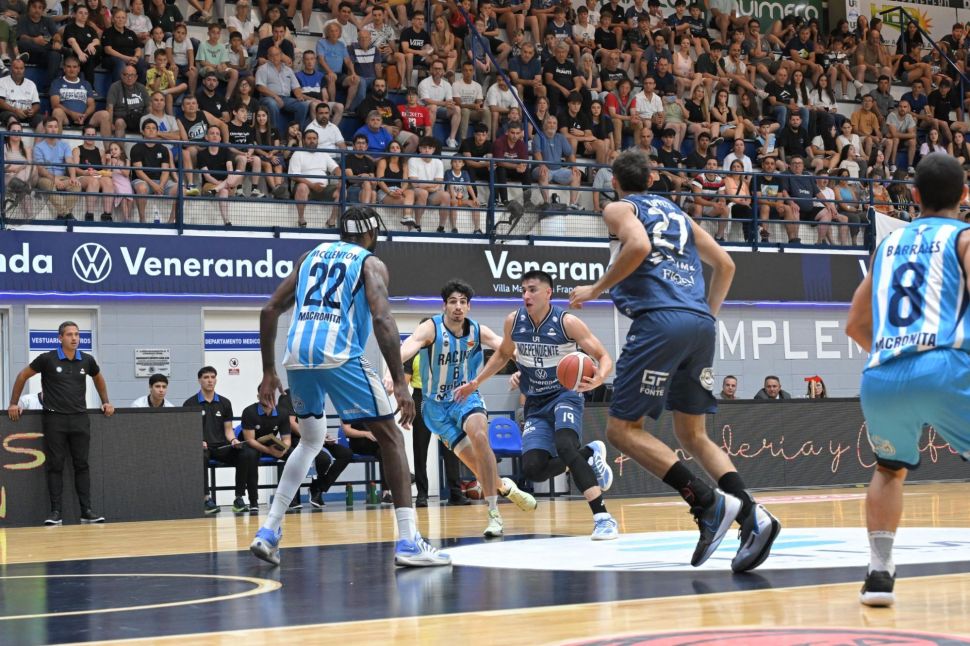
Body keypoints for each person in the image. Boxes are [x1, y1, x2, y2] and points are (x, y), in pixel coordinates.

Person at [569, 149, 781, 571]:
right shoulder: (678, 214)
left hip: (659, 320)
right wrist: (705, 317)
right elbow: (725, 264)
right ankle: (752, 515)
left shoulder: (619, 208)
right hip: (700, 324)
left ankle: (706, 503)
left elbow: (638, 244)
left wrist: (595, 289)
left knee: (621, 430)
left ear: (615, 183)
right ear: (651, 180)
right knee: (692, 433)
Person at [250, 206, 450, 567]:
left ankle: (268, 530)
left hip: (297, 357)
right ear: (372, 234)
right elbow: (382, 318)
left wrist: (268, 371)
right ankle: (409, 541)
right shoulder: (370, 263)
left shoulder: (309, 257)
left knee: (309, 441)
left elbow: (269, 310)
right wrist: (400, 382)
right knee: (391, 437)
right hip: (339, 354)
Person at [845, 153, 970, 607]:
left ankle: (879, 575)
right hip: (946, 364)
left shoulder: (887, 245)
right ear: (965, 195)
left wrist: (896, 356)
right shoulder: (964, 238)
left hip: (883, 373)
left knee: (888, 469)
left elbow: (855, 325)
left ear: (914, 196)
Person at [455, 271, 618, 539]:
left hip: (565, 395)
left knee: (565, 446)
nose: (526, 296)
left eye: (532, 290)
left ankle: (603, 518)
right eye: (523, 290)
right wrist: (476, 382)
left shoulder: (568, 322)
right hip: (535, 401)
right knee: (534, 469)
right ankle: (589, 453)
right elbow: (502, 355)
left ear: (548, 293)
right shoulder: (514, 321)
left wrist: (599, 378)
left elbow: (604, 356)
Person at [398, 280, 538, 538]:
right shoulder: (431, 328)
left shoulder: (477, 330)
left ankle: (494, 513)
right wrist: (391, 372)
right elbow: (409, 345)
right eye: (453, 302)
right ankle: (505, 487)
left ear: (469, 306)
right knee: (476, 465)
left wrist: (529, 367)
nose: (458, 307)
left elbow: (506, 347)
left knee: (480, 436)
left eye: (463, 302)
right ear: (444, 306)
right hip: (435, 407)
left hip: (466, 396)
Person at [7, 320, 113, 525]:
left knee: (81, 464)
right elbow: (22, 376)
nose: (74, 338)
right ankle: (56, 513)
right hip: (54, 419)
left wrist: (106, 401)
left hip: (79, 418)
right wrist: (13, 403)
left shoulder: (87, 360)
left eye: (77, 334)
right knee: (55, 465)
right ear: (60, 338)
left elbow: (98, 378)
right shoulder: (47, 358)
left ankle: (86, 511)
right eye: (69, 334)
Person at [404, 324, 467, 507]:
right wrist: (406, 406)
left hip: (444, 399)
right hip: (421, 398)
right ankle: (422, 494)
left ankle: (455, 493)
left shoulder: (445, 353)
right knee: (420, 448)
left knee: (451, 447)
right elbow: (405, 381)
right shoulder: (413, 354)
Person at [185, 366, 260, 515]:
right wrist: (197, 441)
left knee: (247, 454)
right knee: (200, 457)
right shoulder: (190, 403)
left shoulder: (225, 403)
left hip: (221, 447)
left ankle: (239, 498)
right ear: (199, 380)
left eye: (213, 377)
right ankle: (206, 499)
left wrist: (233, 440)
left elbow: (228, 429)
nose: (210, 380)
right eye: (206, 377)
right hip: (203, 448)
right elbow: (188, 431)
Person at [288, 128, 342, 228]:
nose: (312, 141)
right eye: (309, 138)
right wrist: (312, 185)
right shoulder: (298, 153)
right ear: (304, 140)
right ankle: (301, 220)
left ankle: (331, 221)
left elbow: (336, 168)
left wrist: (341, 180)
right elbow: (294, 176)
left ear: (317, 140)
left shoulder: (323, 153)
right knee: (302, 187)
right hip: (306, 188)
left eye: (314, 138)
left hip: (324, 189)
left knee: (342, 190)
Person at [33, 117, 81, 220]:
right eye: (50, 127)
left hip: (62, 177)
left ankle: (61, 216)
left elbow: (70, 161)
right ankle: (67, 215)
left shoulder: (64, 145)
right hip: (45, 178)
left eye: (55, 127)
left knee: (76, 185)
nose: (53, 129)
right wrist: (54, 179)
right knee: (48, 184)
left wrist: (73, 177)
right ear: (45, 128)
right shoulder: (38, 147)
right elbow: (41, 169)